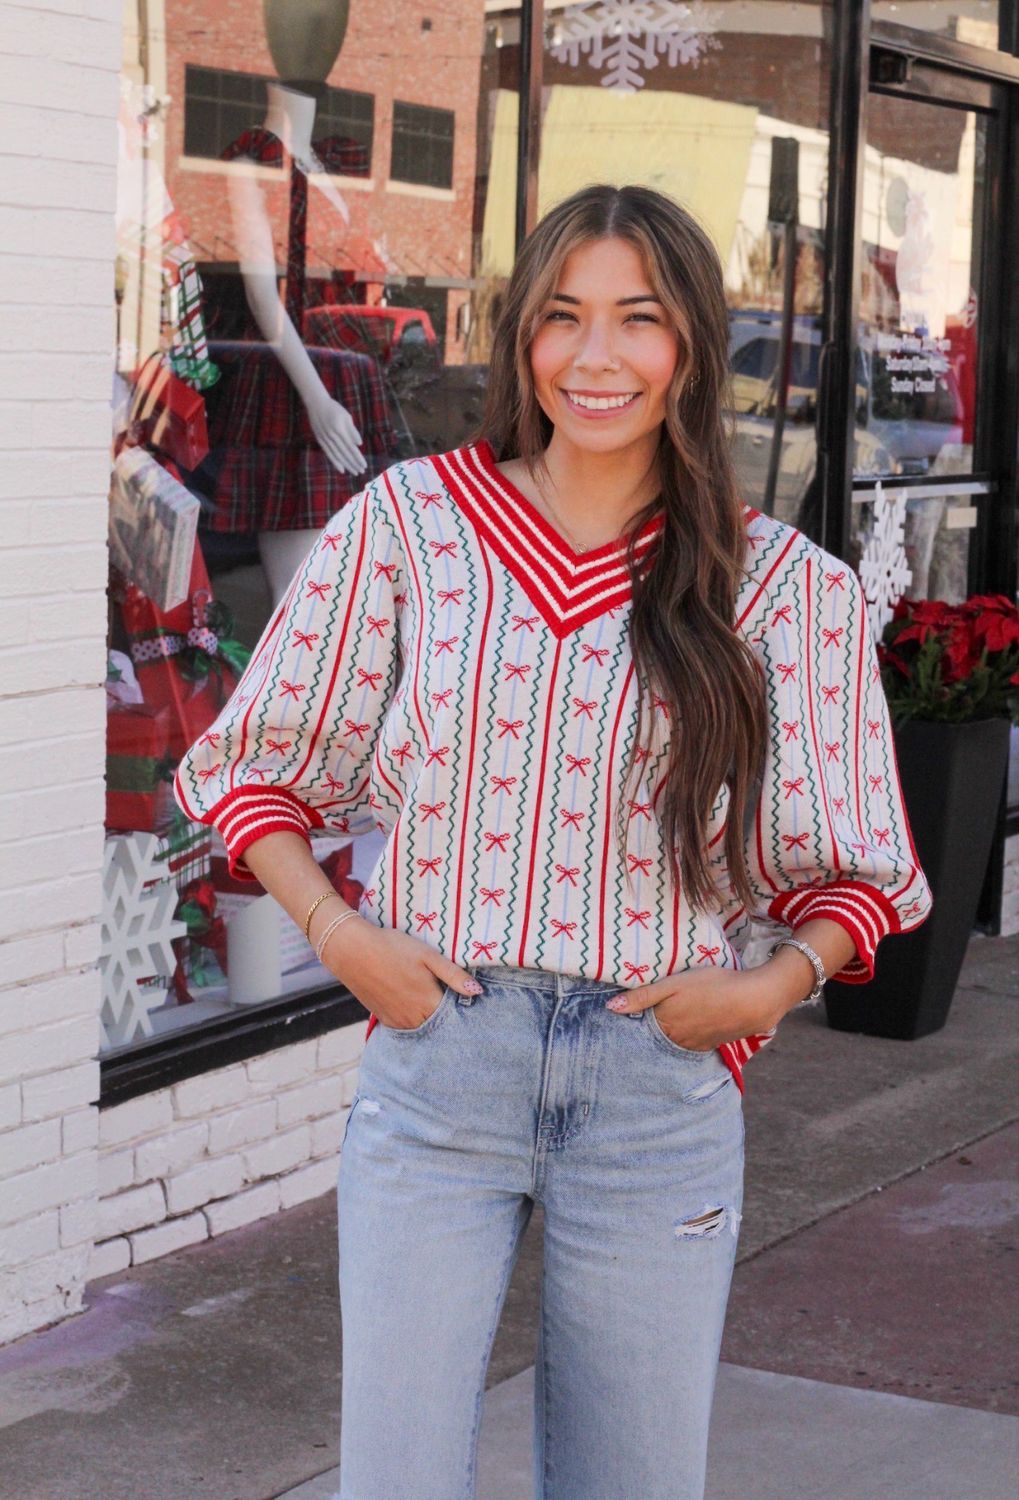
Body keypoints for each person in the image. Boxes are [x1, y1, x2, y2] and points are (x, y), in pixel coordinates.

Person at [174, 183, 932, 1499]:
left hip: (657, 1086)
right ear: (520, 332)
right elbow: (253, 769)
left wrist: (769, 986)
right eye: (563, 316)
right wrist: (342, 939)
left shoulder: (782, 586)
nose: (596, 356)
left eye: (639, 318)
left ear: (692, 344)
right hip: (438, 1067)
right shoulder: (411, 528)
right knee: (396, 1481)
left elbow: (857, 866)